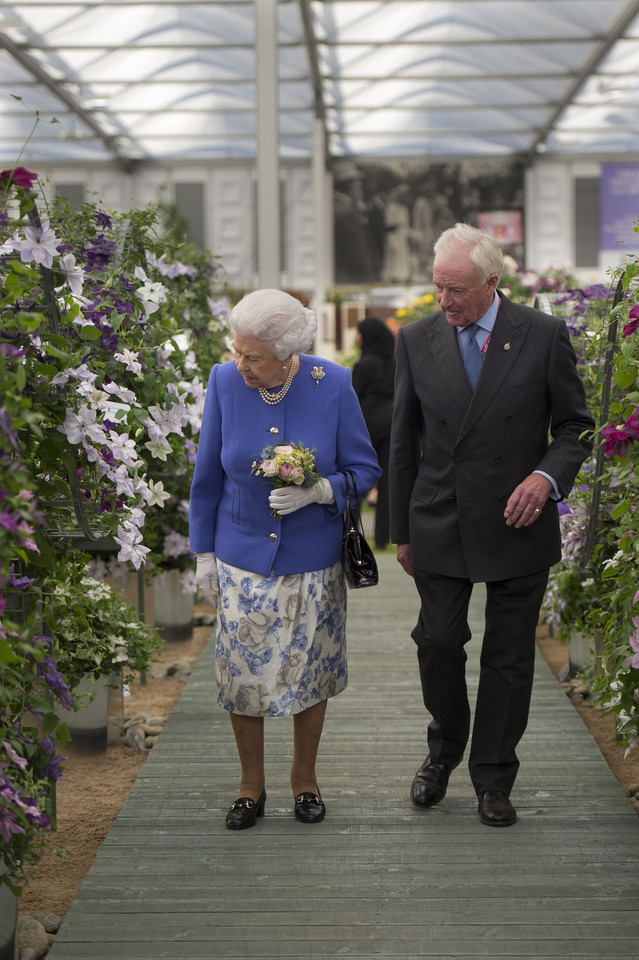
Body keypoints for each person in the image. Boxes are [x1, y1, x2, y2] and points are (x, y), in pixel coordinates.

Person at [389, 223, 594, 827]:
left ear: (493, 283)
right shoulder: (416, 339)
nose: (445, 302)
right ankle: (443, 751)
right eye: (438, 288)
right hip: (439, 518)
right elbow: (403, 442)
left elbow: (575, 426)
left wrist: (546, 478)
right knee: (438, 642)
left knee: (509, 657)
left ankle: (494, 776)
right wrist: (401, 528)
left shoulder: (544, 335)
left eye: (456, 290)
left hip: (518, 517)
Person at [189, 289, 380, 830]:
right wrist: (202, 551)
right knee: (242, 676)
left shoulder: (333, 383)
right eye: (237, 351)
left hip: (313, 559)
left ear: (287, 351)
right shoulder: (224, 382)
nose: (240, 365)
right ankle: (251, 786)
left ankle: (305, 780)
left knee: (308, 673)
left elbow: (365, 470)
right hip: (241, 555)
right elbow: (207, 475)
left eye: (253, 356)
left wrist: (321, 491)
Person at [352, 317, 395, 549]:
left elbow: (353, 397)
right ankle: (381, 538)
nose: (357, 337)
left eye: (359, 333)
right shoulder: (393, 363)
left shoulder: (364, 364)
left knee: (357, 478)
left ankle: (352, 532)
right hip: (390, 422)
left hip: (366, 424)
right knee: (387, 484)